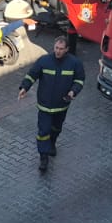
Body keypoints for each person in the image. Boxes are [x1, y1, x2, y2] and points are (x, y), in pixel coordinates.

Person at [19, 36, 86, 174]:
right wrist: (24, 87)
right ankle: (44, 157)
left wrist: (73, 92)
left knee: (56, 128)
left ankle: (52, 143)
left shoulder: (74, 63)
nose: (58, 51)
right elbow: (32, 75)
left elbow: (79, 80)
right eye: (56, 48)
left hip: (62, 105)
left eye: (61, 49)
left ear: (67, 49)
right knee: (43, 131)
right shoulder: (44, 61)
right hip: (44, 105)